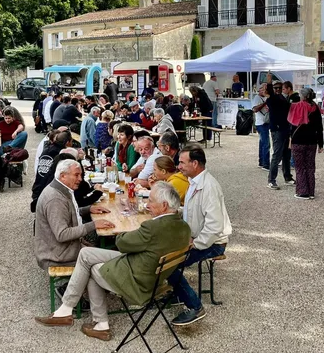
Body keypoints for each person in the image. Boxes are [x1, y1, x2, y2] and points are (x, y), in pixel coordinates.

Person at [35, 181, 190, 341]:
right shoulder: (184, 227)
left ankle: (99, 324)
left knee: (91, 268)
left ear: (164, 205)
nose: (147, 204)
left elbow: (121, 243)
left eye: (150, 201)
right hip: (149, 271)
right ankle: (67, 310)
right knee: (86, 254)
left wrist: (135, 232)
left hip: (137, 282)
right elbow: (142, 246)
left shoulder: (152, 228)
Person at [170, 144, 232, 326]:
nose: (178, 166)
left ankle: (195, 306)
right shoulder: (195, 181)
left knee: (170, 264)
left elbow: (214, 226)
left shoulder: (209, 187)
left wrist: (194, 243)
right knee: (162, 252)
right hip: (197, 237)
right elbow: (193, 211)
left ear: (195, 163)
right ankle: (176, 290)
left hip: (212, 243)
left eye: (182, 163)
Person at [33, 159, 113, 270]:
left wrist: (88, 209)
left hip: (59, 250)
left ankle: (79, 285)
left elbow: (65, 213)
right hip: (56, 256)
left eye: (80, 175)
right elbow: (62, 234)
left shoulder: (60, 189)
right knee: (110, 259)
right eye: (76, 175)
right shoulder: (55, 199)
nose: (80, 179)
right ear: (63, 176)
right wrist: (93, 224)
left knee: (103, 254)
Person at [288, 88, 324, 199]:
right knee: (310, 167)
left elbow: (292, 124)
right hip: (312, 141)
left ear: (303, 96)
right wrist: (321, 144)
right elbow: (319, 127)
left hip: (298, 140)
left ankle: (302, 192)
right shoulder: (316, 108)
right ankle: (311, 192)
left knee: (299, 167)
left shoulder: (297, 106)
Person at [31, 131, 72, 212]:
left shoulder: (46, 149)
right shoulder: (61, 155)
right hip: (47, 193)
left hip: (37, 189)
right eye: (72, 141)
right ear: (67, 142)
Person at [266, 81, 294, 190]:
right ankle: (271, 180)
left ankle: (287, 177)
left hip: (285, 129)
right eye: (275, 88)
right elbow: (271, 95)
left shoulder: (284, 99)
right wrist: (269, 82)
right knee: (277, 155)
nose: (277, 90)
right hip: (277, 130)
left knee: (287, 154)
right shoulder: (272, 99)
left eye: (279, 88)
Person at [251, 83, 271, 170]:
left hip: (266, 122)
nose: (264, 91)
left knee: (262, 143)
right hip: (261, 123)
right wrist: (265, 102)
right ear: (259, 90)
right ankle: (266, 164)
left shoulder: (267, 97)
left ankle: (262, 162)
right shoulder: (257, 98)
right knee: (266, 144)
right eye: (263, 89)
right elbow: (255, 109)